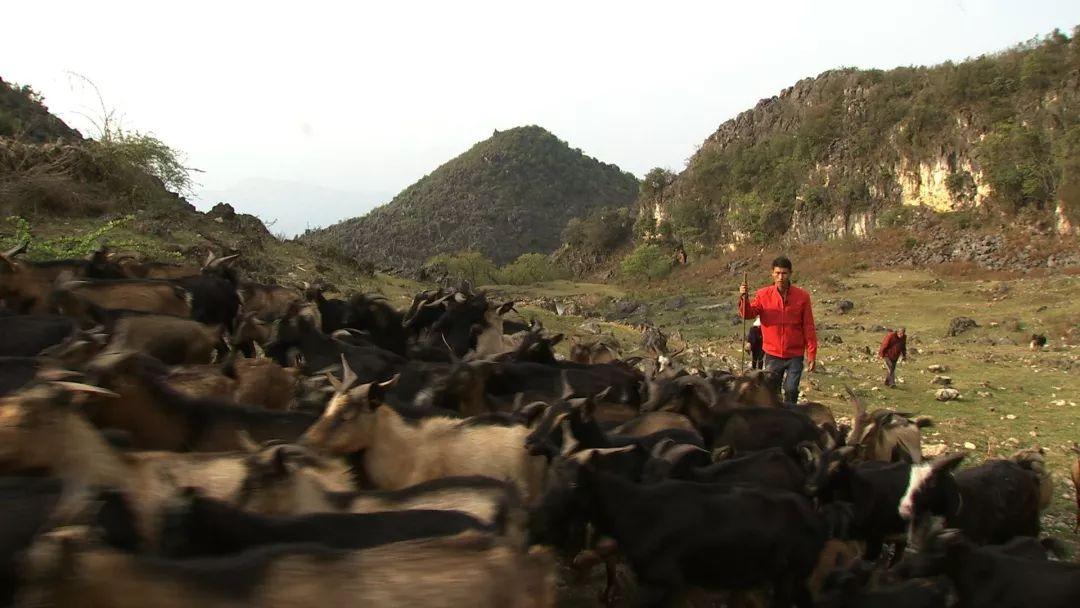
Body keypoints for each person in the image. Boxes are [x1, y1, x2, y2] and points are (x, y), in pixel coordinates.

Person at [739, 256, 817, 407]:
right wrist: (744, 297)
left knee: (791, 389)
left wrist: (812, 354)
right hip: (772, 353)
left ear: (790, 274)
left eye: (784, 273)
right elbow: (748, 314)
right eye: (778, 273)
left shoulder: (802, 297)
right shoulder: (763, 294)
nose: (781, 277)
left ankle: (790, 419)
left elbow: (808, 326)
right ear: (772, 274)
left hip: (795, 353)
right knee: (771, 392)